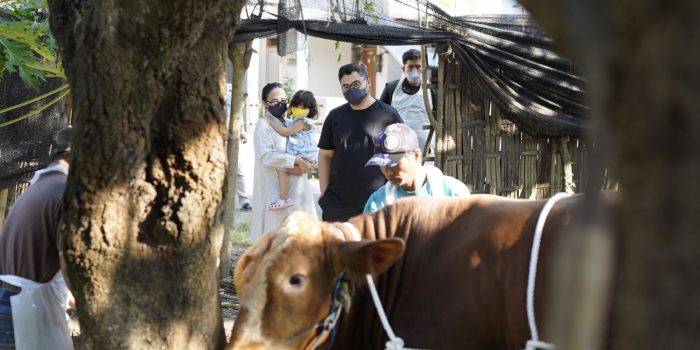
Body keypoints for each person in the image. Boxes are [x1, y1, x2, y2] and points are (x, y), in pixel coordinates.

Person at [0, 126, 75, 350]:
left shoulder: (38, 186)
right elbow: (69, 264)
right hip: (27, 312)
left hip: (10, 303)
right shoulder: (63, 192)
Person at [318, 63, 404, 222]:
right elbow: (325, 155)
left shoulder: (389, 115)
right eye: (346, 86)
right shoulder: (334, 117)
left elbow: (400, 157)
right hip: (337, 206)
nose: (351, 89)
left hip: (377, 203)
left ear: (368, 82)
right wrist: (324, 193)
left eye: (356, 84)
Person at [250, 83, 317, 241]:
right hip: (276, 190)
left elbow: (308, 147)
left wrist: (307, 166)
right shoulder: (263, 125)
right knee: (277, 240)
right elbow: (266, 156)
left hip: (299, 188)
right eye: (275, 101)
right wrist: (296, 160)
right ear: (265, 103)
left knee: (303, 238)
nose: (281, 104)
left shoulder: (289, 123)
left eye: (283, 100)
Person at [363, 123, 470, 213]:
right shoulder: (377, 203)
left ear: (416, 156)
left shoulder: (453, 193)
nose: (388, 172)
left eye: (394, 163)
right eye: (383, 165)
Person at [263, 90, 319, 210]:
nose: (299, 109)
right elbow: (286, 126)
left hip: (304, 156)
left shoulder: (303, 122)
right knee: (288, 170)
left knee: (281, 169)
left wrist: (270, 121)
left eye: (303, 107)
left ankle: (283, 199)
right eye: (296, 106)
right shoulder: (297, 121)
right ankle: (285, 198)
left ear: (310, 109)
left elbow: (285, 131)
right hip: (304, 157)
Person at [379, 49, 436, 153]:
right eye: (410, 67)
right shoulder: (391, 88)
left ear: (423, 68)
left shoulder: (432, 90)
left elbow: (439, 119)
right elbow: (380, 116)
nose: (415, 70)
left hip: (426, 149)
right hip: (398, 146)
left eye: (418, 67)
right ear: (403, 69)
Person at [225, 86, 252, 211]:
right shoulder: (223, 95)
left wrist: (242, 131)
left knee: (237, 169)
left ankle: (244, 201)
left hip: (232, 139)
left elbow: (237, 115)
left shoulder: (235, 99)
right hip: (217, 138)